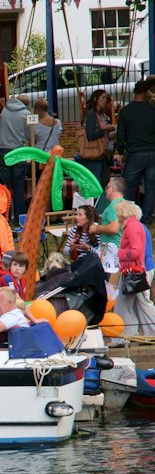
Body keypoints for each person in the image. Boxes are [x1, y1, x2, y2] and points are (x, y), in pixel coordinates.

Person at [113, 200, 155, 336]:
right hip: (135, 270)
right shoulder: (135, 226)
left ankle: (125, 336)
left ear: (123, 213)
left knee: (123, 305)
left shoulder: (131, 227)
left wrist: (118, 253)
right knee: (141, 304)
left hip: (131, 271)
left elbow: (136, 251)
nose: (116, 216)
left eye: (117, 213)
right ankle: (149, 333)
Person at [115, 79, 155, 223]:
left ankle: (127, 217)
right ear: (145, 92)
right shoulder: (152, 111)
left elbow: (121, 135)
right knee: (151, 187)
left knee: (129, 186)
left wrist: (120, 151)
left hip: (135, 153)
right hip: (152, 152)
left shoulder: (125, 111)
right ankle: (145, 219)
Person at [0, 95, 32, 219]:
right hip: (19, 150)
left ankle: (3, 216)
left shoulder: (4, 110)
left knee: (4, 186)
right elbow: (29, 135)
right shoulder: (26, 113)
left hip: (3, 150)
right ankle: (19, 217)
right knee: (18, 185)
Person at [78, 89, 115, 192]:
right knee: (95, 184)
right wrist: (105, 130)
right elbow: (90, 135)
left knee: (103, 183)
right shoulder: (91, 115)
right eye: (103, 98)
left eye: (106, 98)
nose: (105, 100)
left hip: (104, 153)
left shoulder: (102, 116)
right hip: (94, 153)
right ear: (95, 99)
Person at [88, 177, 125, 278]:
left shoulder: (114, 206)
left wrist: (97, 228)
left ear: (113, 188)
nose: (105, 190)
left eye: (107, 187)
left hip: (112, 251)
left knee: (110, 280)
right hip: (119, 249)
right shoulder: (124, 203)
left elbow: (114, 228)